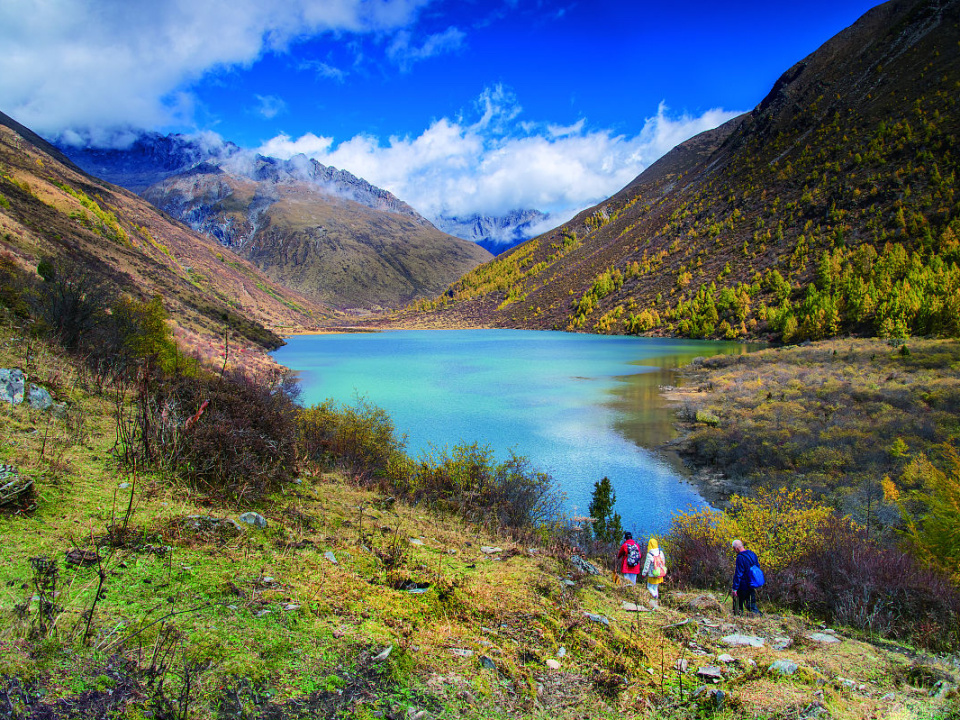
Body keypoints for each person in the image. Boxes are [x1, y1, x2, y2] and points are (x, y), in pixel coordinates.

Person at [731, 539, 761, 615]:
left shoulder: (740, 557)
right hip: (752, 584)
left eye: (734, 549)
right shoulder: (752, 554)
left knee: (738, 605)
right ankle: (759, 617)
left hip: (743, 585)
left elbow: (738, 573)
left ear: (736, 548)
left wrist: (735, 588)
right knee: (752, 605)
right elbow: (757, 566)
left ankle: (737, 618)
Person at [641, 538, 667, 608]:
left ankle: (654, 597)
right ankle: (656, 601)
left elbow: (647, 566)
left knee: (649, 587)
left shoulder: (650, 554)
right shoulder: (660, 552)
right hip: (659, 574)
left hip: (652, 574)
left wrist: (643, 574)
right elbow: (663, 562)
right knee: (656, 588)